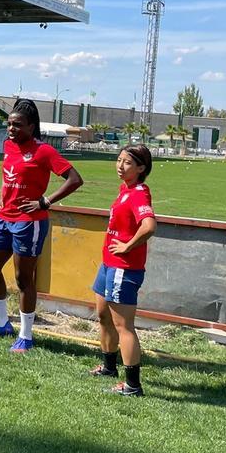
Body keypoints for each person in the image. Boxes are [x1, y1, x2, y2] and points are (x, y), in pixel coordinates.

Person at [0, 98, 83, 352]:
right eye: (9, 125)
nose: (11, 130)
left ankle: (26, 336)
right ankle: (2, 323)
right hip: (4, 217)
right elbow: (8, 176)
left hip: (29, 222)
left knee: (23, 279)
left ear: (31, 126)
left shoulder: (44, 151)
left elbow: (74, 179)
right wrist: (4, 193)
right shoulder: (7, 146)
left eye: (17, 125)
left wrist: (45, 202)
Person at [89, 144, 157, 397]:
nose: (120, 166)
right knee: (102, 314)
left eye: (127, 163)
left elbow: (149, 226)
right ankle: (109, 367)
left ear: (141, 168)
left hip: (124, 269)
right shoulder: (125, 190)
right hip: (108, 264)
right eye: (118, 160)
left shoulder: (139, 192)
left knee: (123, 326)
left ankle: (132, 386)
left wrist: (128, 246)